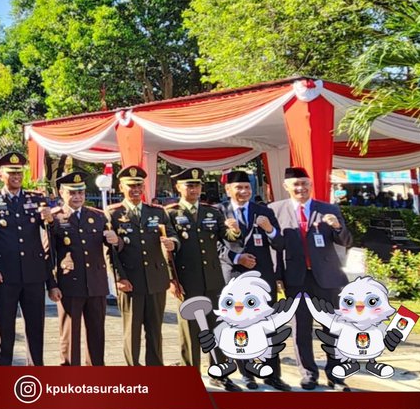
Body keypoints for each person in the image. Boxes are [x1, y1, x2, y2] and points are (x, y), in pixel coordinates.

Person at [270, 166, 352, 390]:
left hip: (326, 277)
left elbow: (346, 240)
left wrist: (336, 227)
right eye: (295, 184)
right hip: (295, 278)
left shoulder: (328, 208)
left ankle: (335, 375)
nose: (300, 188)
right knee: (301, 328)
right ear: (286, 187)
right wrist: (277, 276)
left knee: (332, 328)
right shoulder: (275, 210)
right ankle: (308, 373)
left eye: (305, 184)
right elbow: (274, 247)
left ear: (311, 186)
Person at [0, 151, 55, 366]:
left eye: (19, 172)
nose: (16, 176)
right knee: (4, 329)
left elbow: (50, 232)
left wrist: (50, 221)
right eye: (11, 172)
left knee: (35, 328)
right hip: (5, 275)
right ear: (1, 174)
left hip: (33, 274)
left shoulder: (36, 198)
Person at [220, 169, 288, 390]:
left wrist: (269, 229)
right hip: (235, 275)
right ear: (228, 189)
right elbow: (215, 247)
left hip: (262, 277)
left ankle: (272, 374)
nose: (243, 191)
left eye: (247, 187)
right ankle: (247, 373)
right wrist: (237, 257)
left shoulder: (263, 210)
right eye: (238, 188)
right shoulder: (220, 212)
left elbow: (280, 243)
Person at [105, 166, 177, 366]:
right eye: (131, 186)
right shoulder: (113, 214)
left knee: (155, 331)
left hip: (155, 279)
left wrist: (172, 242)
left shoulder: (157, 212)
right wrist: (119, 277)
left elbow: (171, 234)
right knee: (132, 331)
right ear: (121, 187)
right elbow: (109, 251)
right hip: (130, 280)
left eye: (139, 185)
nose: (136, 189)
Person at [47, 171, 118, 366]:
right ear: (62, 193)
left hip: (96, 284)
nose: (77, 197)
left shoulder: (97, 216)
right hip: (70, 284)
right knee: (70, 336)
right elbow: (49, 254)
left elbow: (112, 246)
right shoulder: (55, 218)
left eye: (81, 192)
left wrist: (116, 240)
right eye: (72, 193)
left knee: (97, 334)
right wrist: (52, 284)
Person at [164, 167, 229, 381]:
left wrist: (234, 229)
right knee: (191, 328)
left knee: (217, 325)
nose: (194, 189)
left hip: (212, 278)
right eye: (189, 185)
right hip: (187, 279)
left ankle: (219, 371)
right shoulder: (171, 213)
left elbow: (227, 236)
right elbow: (166, 251)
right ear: (178, 187)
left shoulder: (213, 212)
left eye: (197, 185)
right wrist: (172, 279)